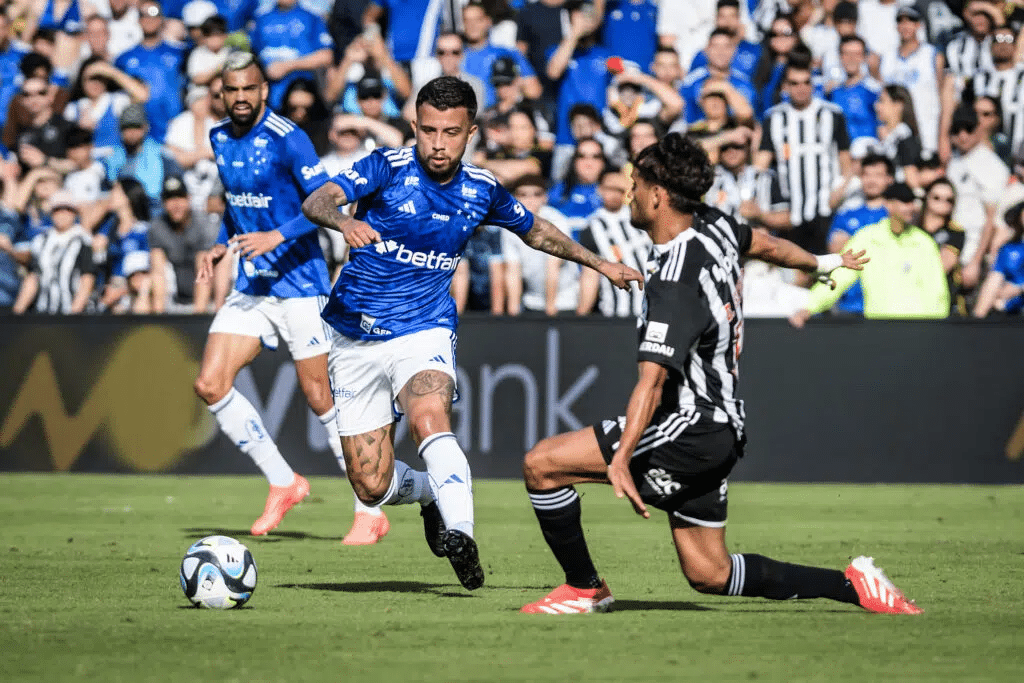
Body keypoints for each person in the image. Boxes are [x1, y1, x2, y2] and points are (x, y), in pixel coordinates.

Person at [519, 132, 921, 617]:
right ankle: (854, 586)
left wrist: (622, 457)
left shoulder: (675, 279)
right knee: (711, 574)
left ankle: (585, 589)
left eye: (636, 183)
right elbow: (769, 245)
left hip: (688, 427)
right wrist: (825, 262)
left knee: (542, 464)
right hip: (721, 428)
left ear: (658, 195)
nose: (630, 193)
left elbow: (652, 381)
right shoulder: (715, 225)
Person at [300, 76, 644, 590]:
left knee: (429, 414)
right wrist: (343, 223)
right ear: (414, 126)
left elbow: (537, 231)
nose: (438, 143)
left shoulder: (480, 189)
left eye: (452, 132)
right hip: (355, 333)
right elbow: (317, 201)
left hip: (425, 328)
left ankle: (461, 532)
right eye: (430, 130)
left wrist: (599, 263)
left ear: (471, 133)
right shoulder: (385, 168)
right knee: (371, 485)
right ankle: (430, 494)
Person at [193, 52, 390, 544]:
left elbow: (322, 201)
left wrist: (275, 237)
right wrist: (223, 243)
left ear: (263, 91)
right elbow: (239, 203)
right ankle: (285, 481)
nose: (239, 97)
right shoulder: (219, 137)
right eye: (230, 90)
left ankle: (370, 508)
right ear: (222, 93)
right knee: (210, 384)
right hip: (254, 284)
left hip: (301, 282)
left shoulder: (287, 138)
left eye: (248, 89)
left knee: (322, 398)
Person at [790, 182, 949, 324]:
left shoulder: (923, 242)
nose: (909, 207)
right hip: (879, 330)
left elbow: (937, 291)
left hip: (918, 330)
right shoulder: (867, 238)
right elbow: (839, 277)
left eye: (911, 202)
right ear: (888, 205)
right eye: (903, 201)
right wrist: (809, 308)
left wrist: (934, 330)